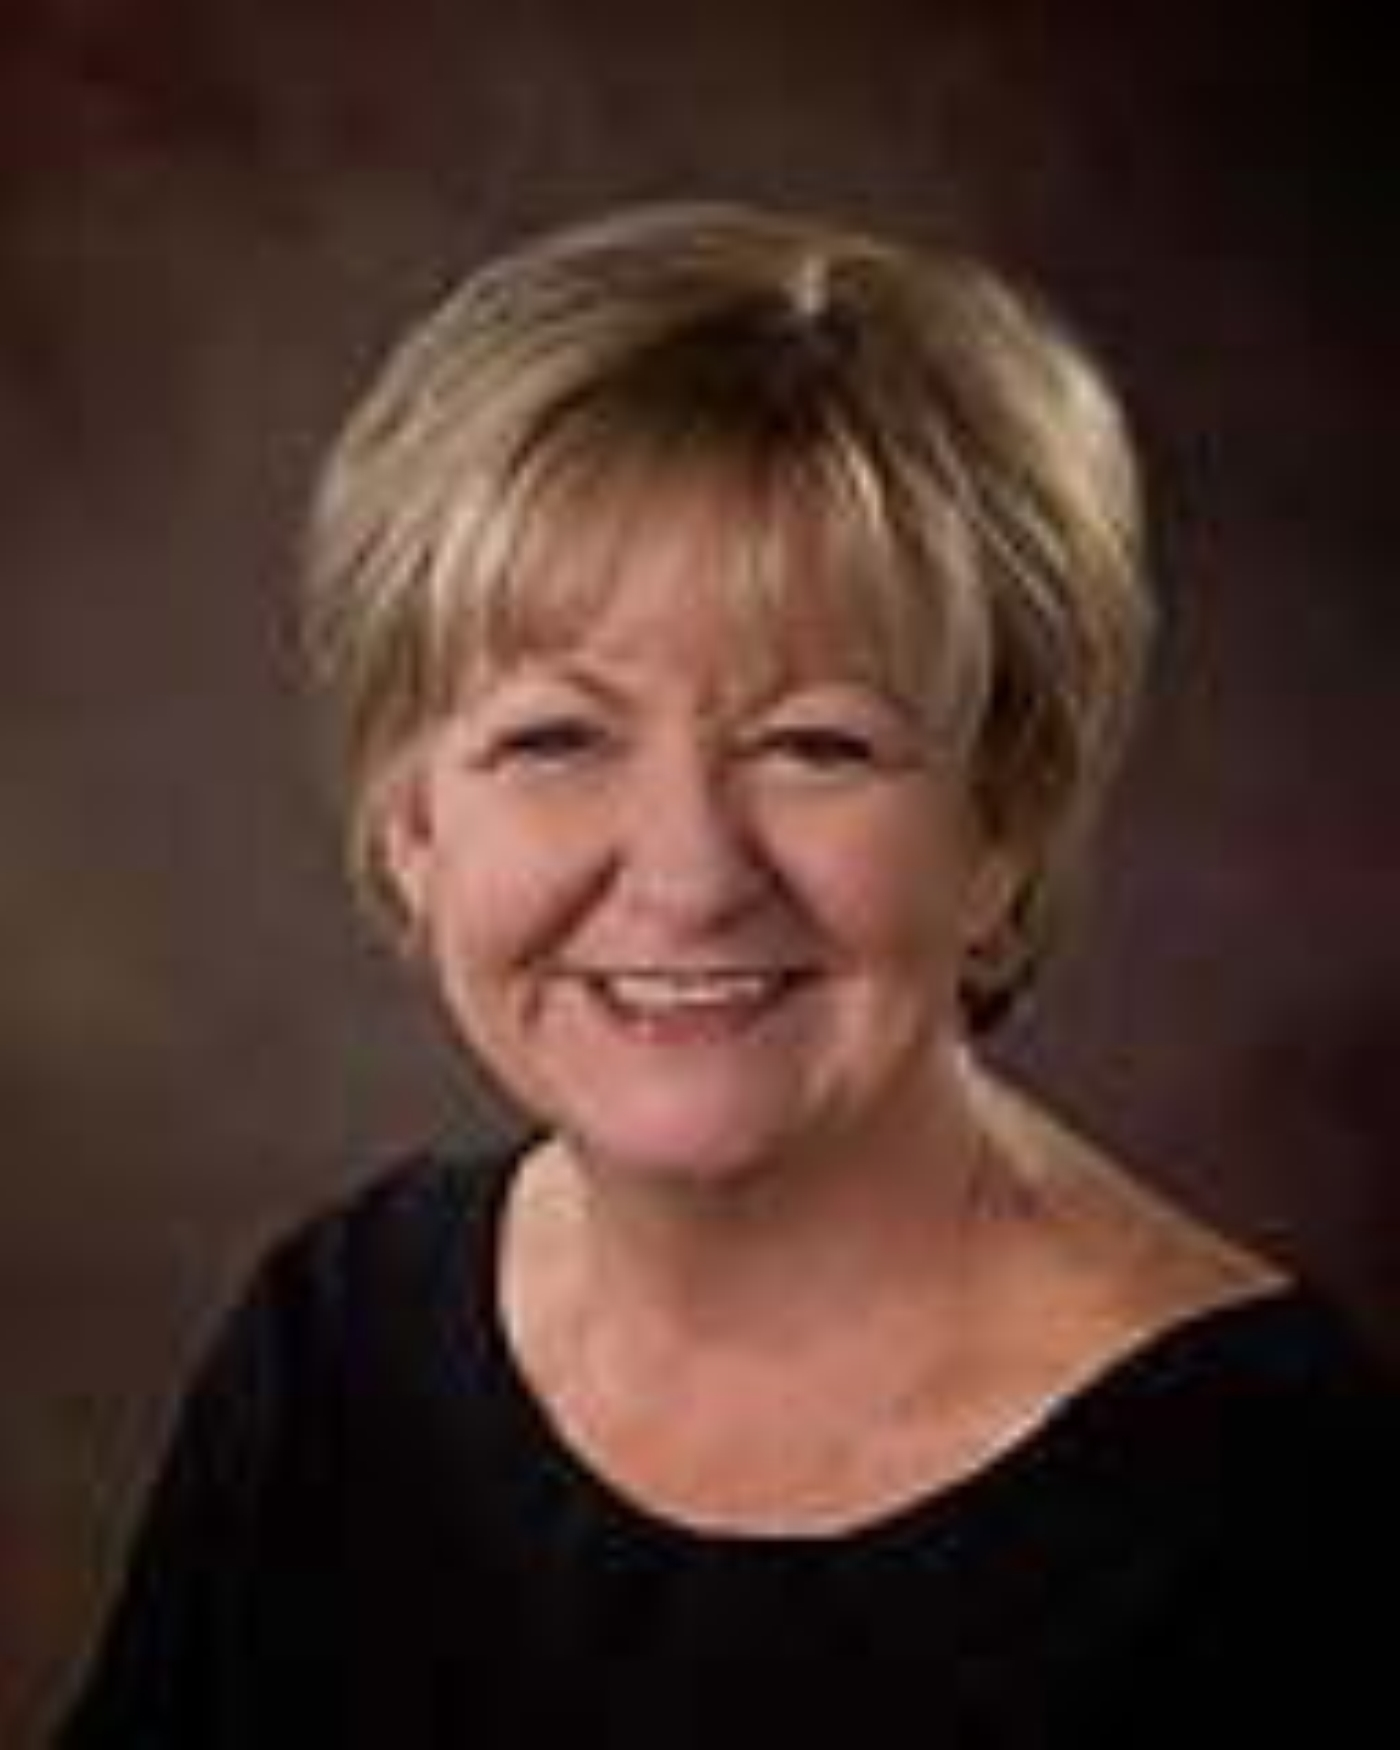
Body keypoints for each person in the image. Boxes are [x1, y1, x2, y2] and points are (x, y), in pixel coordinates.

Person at [57, 199, 1399, 1747]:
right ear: (411, 826)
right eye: (557, 737)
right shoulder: (341, 1341)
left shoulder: (1270, 1502)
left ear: (1005, 827)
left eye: (816, 744)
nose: (691, 874)